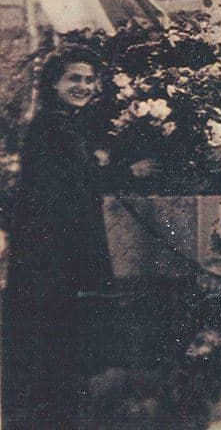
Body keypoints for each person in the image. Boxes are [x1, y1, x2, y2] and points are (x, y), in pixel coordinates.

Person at [2, 45, 159, 429]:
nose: (84, 86)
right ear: (54, 82)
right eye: (75, 78)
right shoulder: (52, 126)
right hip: (51, 258)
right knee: (57, 352)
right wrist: (126, 171)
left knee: (60, 355)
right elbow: (76, 181)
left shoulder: (65, 122)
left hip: (55, 254)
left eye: (90, 80)